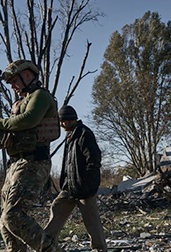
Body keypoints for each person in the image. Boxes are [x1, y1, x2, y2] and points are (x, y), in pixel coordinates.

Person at [0, 59, 59, 252]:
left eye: (14, 80)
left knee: (13, 216)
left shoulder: (40, 96)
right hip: (16, 164)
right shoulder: (21, 101)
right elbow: (17, 126)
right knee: (4, 222)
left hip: (33, 163)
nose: (12, 85)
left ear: (28, 75)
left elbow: (29, 119)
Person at [44, 105, 107, 252]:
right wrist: (65, 184)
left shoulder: (84, 134)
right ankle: (45, 245)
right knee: (56, 211)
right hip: (69, 188)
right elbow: (69, 164)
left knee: (93, 224)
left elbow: (94, 161)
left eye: (62, 121)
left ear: (70, 119)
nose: (60, 124)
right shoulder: (70, 136)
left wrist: (88, 185)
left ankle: (99, 249)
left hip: (84, 189)